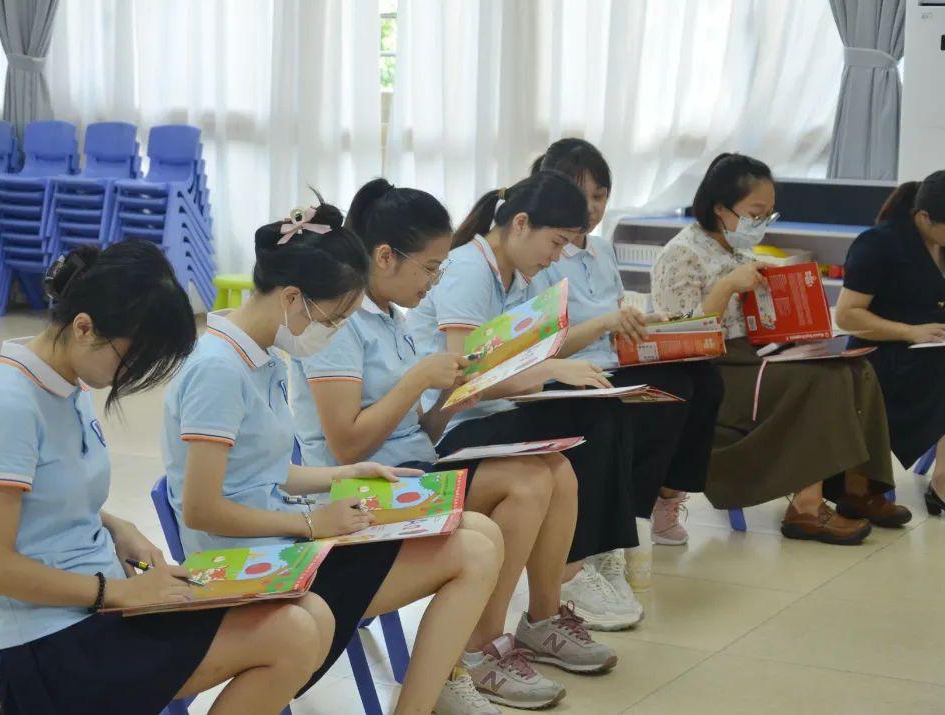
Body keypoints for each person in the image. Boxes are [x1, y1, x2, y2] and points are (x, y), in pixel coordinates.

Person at [0, 241, 328, 715]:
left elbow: (46, 496)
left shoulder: (64, 384)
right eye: (131, 360)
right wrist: (118, 592)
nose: (131, 376)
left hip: (101, 604)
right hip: (55, 646)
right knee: (290, 635)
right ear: (83, 327)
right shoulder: (8, 407)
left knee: (310, 613)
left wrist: (116, 527)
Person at [162, 196, 503, 715]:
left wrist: (346, 474)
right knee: (473, 551)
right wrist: (312, 523)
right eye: (336, 318)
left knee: (478, 531)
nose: (337, 331)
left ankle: (424, 698)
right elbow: (202, 509)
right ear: (294, 298)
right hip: (247, 561)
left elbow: (263, 470)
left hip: (284, 537)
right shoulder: (218, 370)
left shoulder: (259, 356)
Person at [291, 179, 617, 713]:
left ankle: (538, 620)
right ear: (385, 256)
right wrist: (418, 380)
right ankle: (480, 650)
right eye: (429, 268)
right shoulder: (340, 324)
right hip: (360, 488)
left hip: (413, 466)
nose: (436, 280)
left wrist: (455, 395)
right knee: (529, 482)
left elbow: (420, 424)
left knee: (553, 466)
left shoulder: (391, 318)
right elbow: (347, 445)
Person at [405, 171, 644, 631]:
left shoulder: (520, 274)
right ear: (519, 224)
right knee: (585, 425)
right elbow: (461, 381)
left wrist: (558, 369)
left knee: (603, 410)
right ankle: (572, 570)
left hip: (501, 409)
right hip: (453, 427)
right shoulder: (469, 270)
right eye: (554, 243)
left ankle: (563, 588)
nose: (556, 257)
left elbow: (532, 355)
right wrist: (552, 372)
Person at [650, 153, 911, 545]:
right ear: (720, 207)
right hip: (714, 367)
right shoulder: (680, 253)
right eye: (755, 212)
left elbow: (763, 318)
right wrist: (726, 287)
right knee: (822, 379)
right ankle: (806, 508)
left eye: (768, 214)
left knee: (857, 367)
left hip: (757, 355)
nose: (760, 223)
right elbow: (679, 339)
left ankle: (859, 490)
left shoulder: (737, 249)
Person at [531, 138, 724, 550]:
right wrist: (607, 321)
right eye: (581, 196)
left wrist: (647, 322)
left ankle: (665, 497)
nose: (593, 207)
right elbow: (545, 346)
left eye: (600, 196)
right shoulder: (542, 254)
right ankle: (626, 517)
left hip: (616, 359)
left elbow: (616, 314)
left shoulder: (601, 249)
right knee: (672, 391)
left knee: (704, 380)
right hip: (572, 371)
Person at [836, 171, 945, 516]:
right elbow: (848, 315)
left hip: (931, 349)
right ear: (924, 217)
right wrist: (909, 332)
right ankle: (943, 482)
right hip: (884, 354)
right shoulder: (879, 244)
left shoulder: (939, 244)